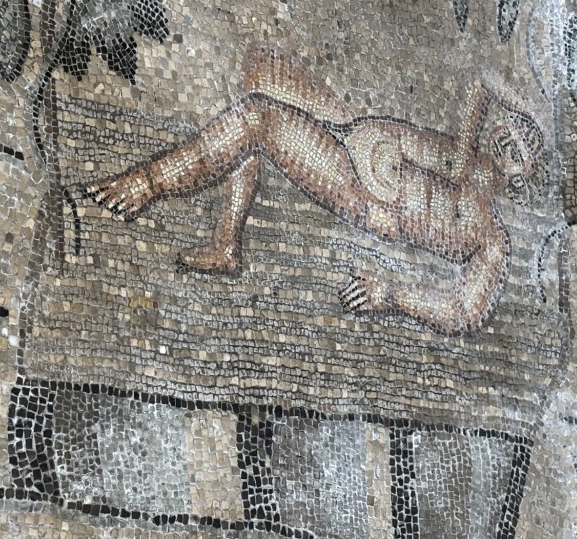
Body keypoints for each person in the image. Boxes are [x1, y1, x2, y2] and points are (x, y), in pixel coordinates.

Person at [86, 45, 545, 335]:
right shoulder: (464, 154)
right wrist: (533, 113)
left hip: (358, 189)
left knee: (256, 119)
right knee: (261, 68)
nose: (514, 139)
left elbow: (465, 311)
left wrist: (390, 294)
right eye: (516, 130)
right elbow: (482, 81)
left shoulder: (490, 236)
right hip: (350, 131)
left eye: (524, 151)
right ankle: (226, 244)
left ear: (522, 180)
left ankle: (148, 183)